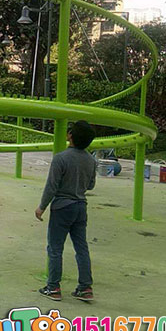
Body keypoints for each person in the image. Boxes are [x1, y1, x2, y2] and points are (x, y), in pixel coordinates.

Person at [35, 120, 97, 302]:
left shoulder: (60, 158)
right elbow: (91, 185)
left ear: (70, 135)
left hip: (62, 207)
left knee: (55, 248)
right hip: (81, 206)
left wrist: (41, 207)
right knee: (81, 247)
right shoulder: (91, 160)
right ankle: (85, 287)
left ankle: (53, 287)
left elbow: (51, 186)